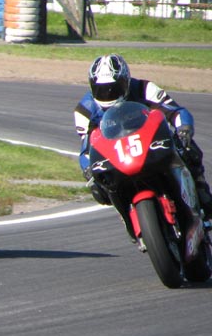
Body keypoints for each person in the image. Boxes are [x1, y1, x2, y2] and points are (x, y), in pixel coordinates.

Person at [74, 53, 212, 216]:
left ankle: (201, 191)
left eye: (113, 88)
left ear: (126, 81)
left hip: (151, 141)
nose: (107, 94)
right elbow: (87, 148)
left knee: (188, 149)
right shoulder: (84, 110)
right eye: (100, 90)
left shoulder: (144, 88)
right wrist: (88, 169)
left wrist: (184, 128)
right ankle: (128, 216)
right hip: (118, 155)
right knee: (98, 187)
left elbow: (175, 111)